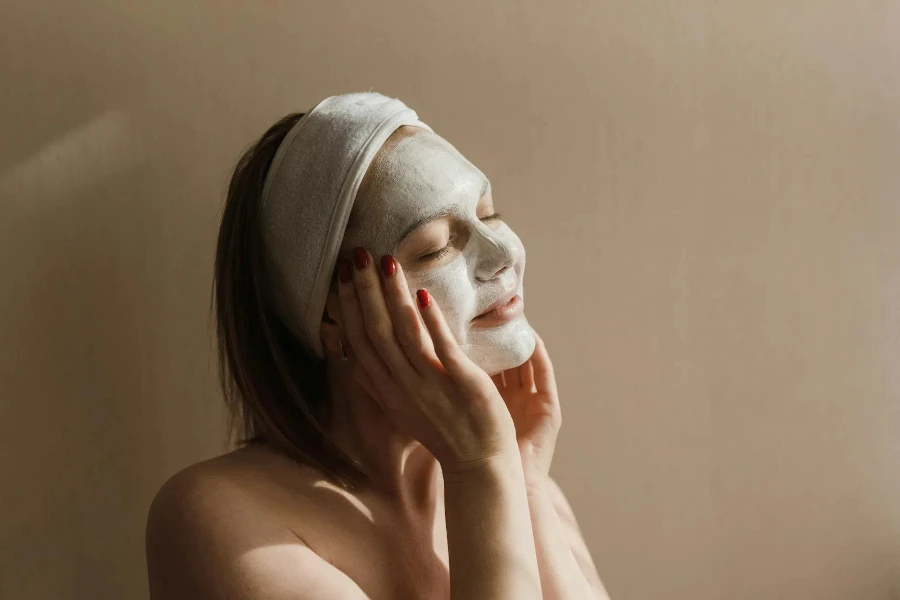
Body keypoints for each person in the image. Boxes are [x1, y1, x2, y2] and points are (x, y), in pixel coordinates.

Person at [145, 92, 610, 599]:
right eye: (435, 246)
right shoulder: (220, 518)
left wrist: (520, 483)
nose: (502, 253)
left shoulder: (525, 483)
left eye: (489, 214)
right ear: (334, 313)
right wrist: (479, 468)